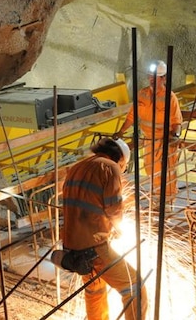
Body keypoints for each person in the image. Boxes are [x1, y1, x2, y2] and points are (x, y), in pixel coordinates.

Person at [59, 137, 147, 320]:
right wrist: (118, 227)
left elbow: (87, 203)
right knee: (135, 287)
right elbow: (114, 208)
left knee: (95, 289)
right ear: (121, 160)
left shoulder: (77, 167)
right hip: (94, 247)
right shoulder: (110, 167)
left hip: (72, 247)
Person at [115, 60, 183, 210]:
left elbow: (176, 121)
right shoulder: (143, 94)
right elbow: (132, 116)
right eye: (150, 76)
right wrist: (120, 132)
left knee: (166, 172)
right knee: (151, 170)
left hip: (164, 140)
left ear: (163, 78)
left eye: (155, 77)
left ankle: (167, 203)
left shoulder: (170, 98)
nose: (151, 79)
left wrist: (174, 137)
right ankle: (157, 200)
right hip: (148, 140)